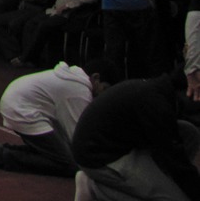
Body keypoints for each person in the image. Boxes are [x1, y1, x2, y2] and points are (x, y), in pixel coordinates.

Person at [0, 58, 120, 179]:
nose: (102, 96)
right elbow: (77, 138)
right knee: (71, 166)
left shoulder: (73, 79)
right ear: (96, 78)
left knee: (54, 151)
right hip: (22, 108)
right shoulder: (80, 91)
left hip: (20, 102)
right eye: (104, 89)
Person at [71, 71, 200, 199]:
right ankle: (95, 187)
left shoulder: (159, 90)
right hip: (97, 156)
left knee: (189, 131)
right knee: (175, 198)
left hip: (116, 142)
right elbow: (174, 158)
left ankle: (163, 180)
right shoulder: (156, 105)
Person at [11, 0, 102, 68]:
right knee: (30, 23)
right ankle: (32, 59)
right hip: (55, 10)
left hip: (71, 14)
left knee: (43, 25)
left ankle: (25, 58)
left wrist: (67, 6)